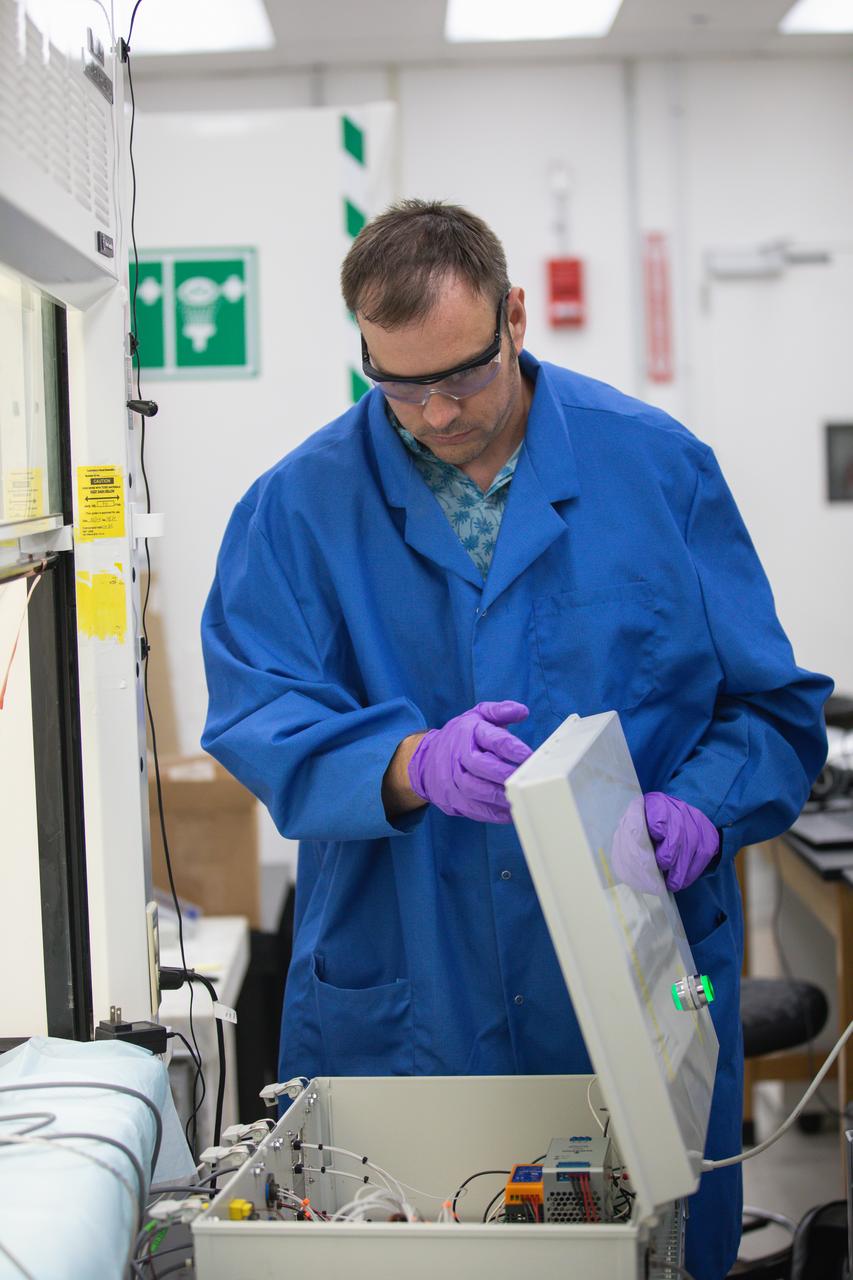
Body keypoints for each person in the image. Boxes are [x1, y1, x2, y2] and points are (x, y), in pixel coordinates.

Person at [201, 200, 831, 1279]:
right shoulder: (298, 507)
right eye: (398, 385)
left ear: (517, 318)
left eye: (462, 375)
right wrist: (404, 763)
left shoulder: (659, 469)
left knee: (651, 1248)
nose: (437, 413)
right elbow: (256, 716)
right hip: (408, 977)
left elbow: (772, 710)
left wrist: (703, 804)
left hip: (634, 968)